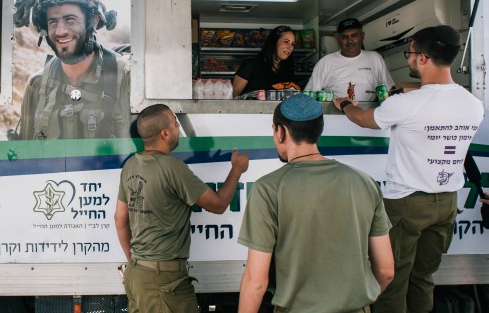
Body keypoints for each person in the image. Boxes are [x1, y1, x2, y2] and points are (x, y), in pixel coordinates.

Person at [332, 25, 484, 313]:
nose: (410, 59)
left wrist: (345, 105)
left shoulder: (407, 104)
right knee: (423, 278)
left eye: (410, 54)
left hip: (407, 204)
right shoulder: (473, 104)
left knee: (392, 279)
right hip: (448, 204)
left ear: (424, 58)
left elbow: (365, 119)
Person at [237, 94, 394, 313]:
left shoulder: (268, 188)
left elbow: (256, 282)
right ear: (318, 131)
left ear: (280, 131)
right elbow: (386, 270)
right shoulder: (364, 182)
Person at [114, 104, 249, 312]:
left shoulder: (131, 165)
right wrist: (237, 170)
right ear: (165, 133)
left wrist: (134, 262)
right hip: (164, 282)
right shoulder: (172, 167)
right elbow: (219, 204)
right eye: (176, 124)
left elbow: (119, 218)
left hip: (137, 275)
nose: (179, 128)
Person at [12, 0, 130, 140]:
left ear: (93, 21)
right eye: (53, 22)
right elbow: (26, 155)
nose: (60, 31)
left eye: (70, 20)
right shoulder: (36, 85)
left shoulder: (125, 77)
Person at [305, 18, 395, 101]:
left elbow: (389, 90)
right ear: (338, 39)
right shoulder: (325, 62)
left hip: (368, 115)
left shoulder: (375, 59)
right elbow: (309, 96)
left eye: (354, 35)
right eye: (344, 37)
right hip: (334, 115)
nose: (350, 41)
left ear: (362, 36)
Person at [233, 25, 298, 98]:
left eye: (293, 44)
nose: (290, 47)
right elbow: (235, 93)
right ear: (274, 42)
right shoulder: (251, 64)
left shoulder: (288, 70)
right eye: (286, 42)